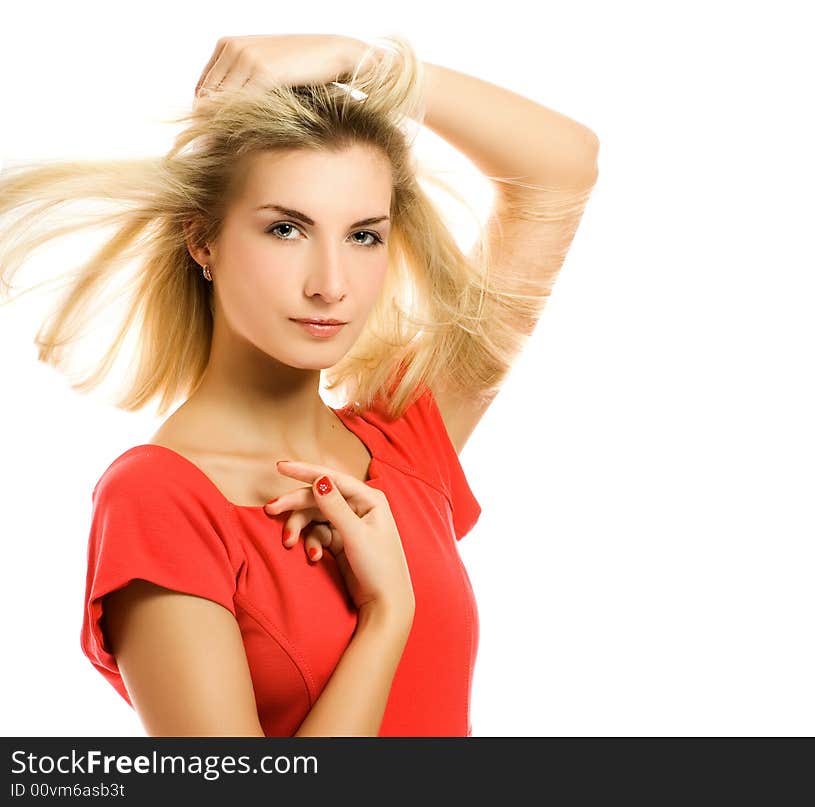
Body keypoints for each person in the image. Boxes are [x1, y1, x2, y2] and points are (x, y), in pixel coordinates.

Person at [0, 32, 599, 736]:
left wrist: (364, 62)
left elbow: (564, 169)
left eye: (364, 235)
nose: (331, 285)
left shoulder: (405, 438)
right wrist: (385, 618)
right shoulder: (159, 502)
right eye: (286, 228)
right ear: (204, 240)